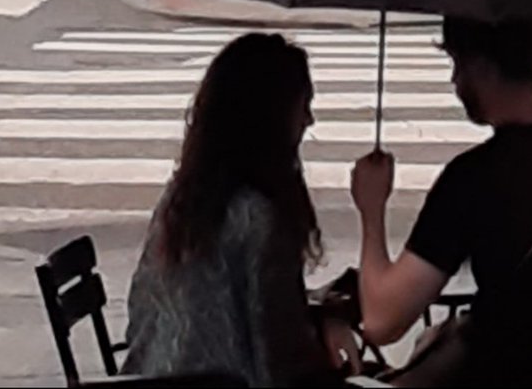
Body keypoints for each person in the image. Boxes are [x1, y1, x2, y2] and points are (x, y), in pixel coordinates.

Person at [351, 19, 532, 387]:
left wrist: (371, 211)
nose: (455, 82)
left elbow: (382, 320)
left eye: (458, 65)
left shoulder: (473, 178)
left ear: (483, 69)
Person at [123, 33, 357, 387]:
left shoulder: (183, 199)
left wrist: (319, 313)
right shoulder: (260, 219)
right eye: (303, 105)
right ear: (271, 115)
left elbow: (143, 312)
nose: (309, 120)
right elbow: (279, 354)